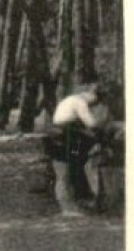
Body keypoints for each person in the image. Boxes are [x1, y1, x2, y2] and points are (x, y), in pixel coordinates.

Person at [47, 80, 116, 215]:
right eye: (96, 100)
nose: (95, 104)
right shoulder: (80, 102)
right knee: (73, 165)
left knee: (70, 167)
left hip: (59, 136)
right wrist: (103, 132)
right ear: (91, 94)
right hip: (67, 137)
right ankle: (76, 202)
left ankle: (75, 201)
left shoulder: (69, 100)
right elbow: (91, 124)